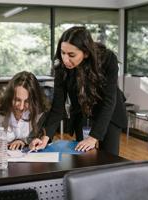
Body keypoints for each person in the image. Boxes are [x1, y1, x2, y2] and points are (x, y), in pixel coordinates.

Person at [44, 26, 127, 155]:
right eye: (62, 52)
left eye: (71, 55)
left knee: (109, 158)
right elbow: (57, 106)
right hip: (82, 111)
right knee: (82, 156)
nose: (65, 59)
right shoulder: (61, 67)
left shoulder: (107, 59)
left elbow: (109, 101)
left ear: (86, 53)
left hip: (109, 112)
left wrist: (94, 137)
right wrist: (46, 137)